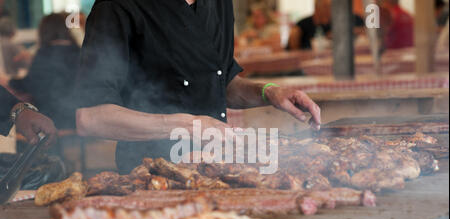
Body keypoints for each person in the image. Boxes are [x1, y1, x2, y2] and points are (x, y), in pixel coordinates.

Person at [74, 0, 321, 174]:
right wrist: (188, 126)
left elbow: (218, 82)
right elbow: (91, 118)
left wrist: (268, 92)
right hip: (152, 176)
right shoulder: (116, 7)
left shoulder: (218, 4)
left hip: (218, 169)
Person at [9, 13, 81, 129]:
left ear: (44, 31)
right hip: (78, 117)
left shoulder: (45, 53)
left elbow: (28, 86)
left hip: (51, 119)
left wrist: (7, 81)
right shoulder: (79, 52)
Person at [288, 0, 365, 50]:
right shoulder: (302, 25)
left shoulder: (352, 19)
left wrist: (345, 32)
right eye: (325, 8)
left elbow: (366, 31)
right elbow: (293, 50)